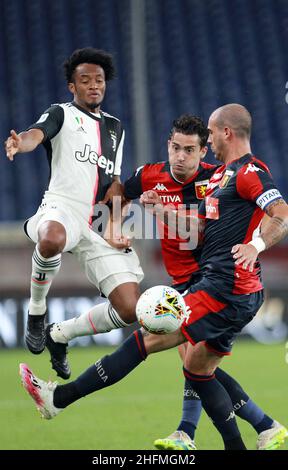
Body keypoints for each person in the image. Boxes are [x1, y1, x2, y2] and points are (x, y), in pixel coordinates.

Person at [20, 104, 288, 449]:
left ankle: (60, 399)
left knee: (147, 339)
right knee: (198, 368)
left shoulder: (248, 172)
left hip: (224, 286)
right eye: (176, 147)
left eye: (200, 140)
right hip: (224, 285)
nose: (183, 153)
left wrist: (256, 244)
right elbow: (201, 227)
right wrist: (144, 214)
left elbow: (280, 212)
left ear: (223, 134)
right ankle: (259, 430)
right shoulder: (222, 177)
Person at [4, 48, 143, 372]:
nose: (94, 85)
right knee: (50, 238)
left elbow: (115, 182)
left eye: (99, 80)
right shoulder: (61, 113)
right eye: (85, 80)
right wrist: (19, 143)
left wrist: (117, 224)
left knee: (130, 308)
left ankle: (61, 334)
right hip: (62, 205)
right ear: (72, 86)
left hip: (97, 221)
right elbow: (34, 135)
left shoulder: (115, 128)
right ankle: (37, 311)